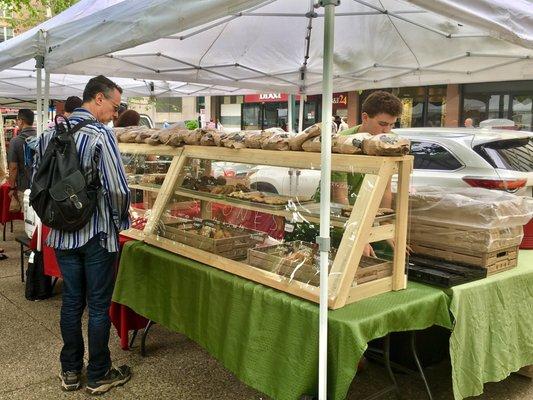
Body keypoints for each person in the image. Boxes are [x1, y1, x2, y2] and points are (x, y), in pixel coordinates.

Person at [33, 75, 132, 395]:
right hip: (96, 235)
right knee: (99, 306)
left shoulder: (50, 136)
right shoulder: (101, 136)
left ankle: (71, 371)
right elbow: (117, 189)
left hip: (61, 234)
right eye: (114, 107)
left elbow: (40, 182)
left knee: (72, 302)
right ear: (98, 99)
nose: (114, 115)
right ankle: (99, 373)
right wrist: (122, 221)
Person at [332, 90, 402, 256]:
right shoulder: (342, 141)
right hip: (336, 216)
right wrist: (356, 236)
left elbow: (385, 188)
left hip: (363, 213)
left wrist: (386, 227)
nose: (387, 131)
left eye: (392, 125)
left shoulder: (390, 141)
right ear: (365, 117)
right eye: (383, 124)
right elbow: (339, 195)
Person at [8, 109, 36, 207]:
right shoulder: (41, 136)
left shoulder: (15, 141)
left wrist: (12, 188)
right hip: (40, 184)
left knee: (28, 218)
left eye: (17, 120)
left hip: (24, 186)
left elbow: (13, 167)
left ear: (21, 121)